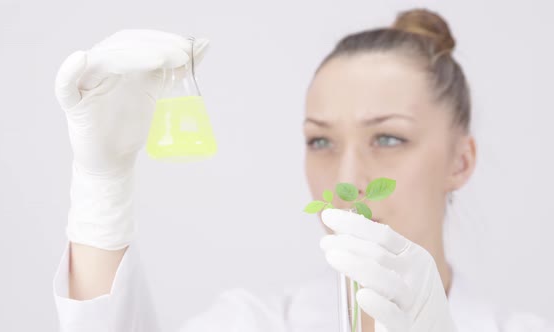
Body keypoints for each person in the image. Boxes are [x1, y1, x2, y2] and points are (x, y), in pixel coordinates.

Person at [52, 8, 552, 332]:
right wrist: (103, 187)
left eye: (388, 138)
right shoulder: (259, 321)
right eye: (321, 141)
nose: (347, 180)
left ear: (461, 161)